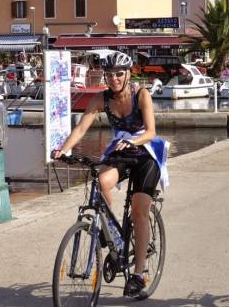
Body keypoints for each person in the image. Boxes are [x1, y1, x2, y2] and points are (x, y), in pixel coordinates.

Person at [52, 52, 168, 298]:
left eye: (119, 74)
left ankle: (138, 274)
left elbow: (151, 131)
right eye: (109, 74)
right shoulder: (101, 99)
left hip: (145, 153)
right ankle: (114, 236)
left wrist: (133, 141)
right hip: (121, 151)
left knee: (139, 208)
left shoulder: (141, 94)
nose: (114, 79)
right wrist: (63, 150)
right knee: (101, 182)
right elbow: (82, 127)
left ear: (128, 74)